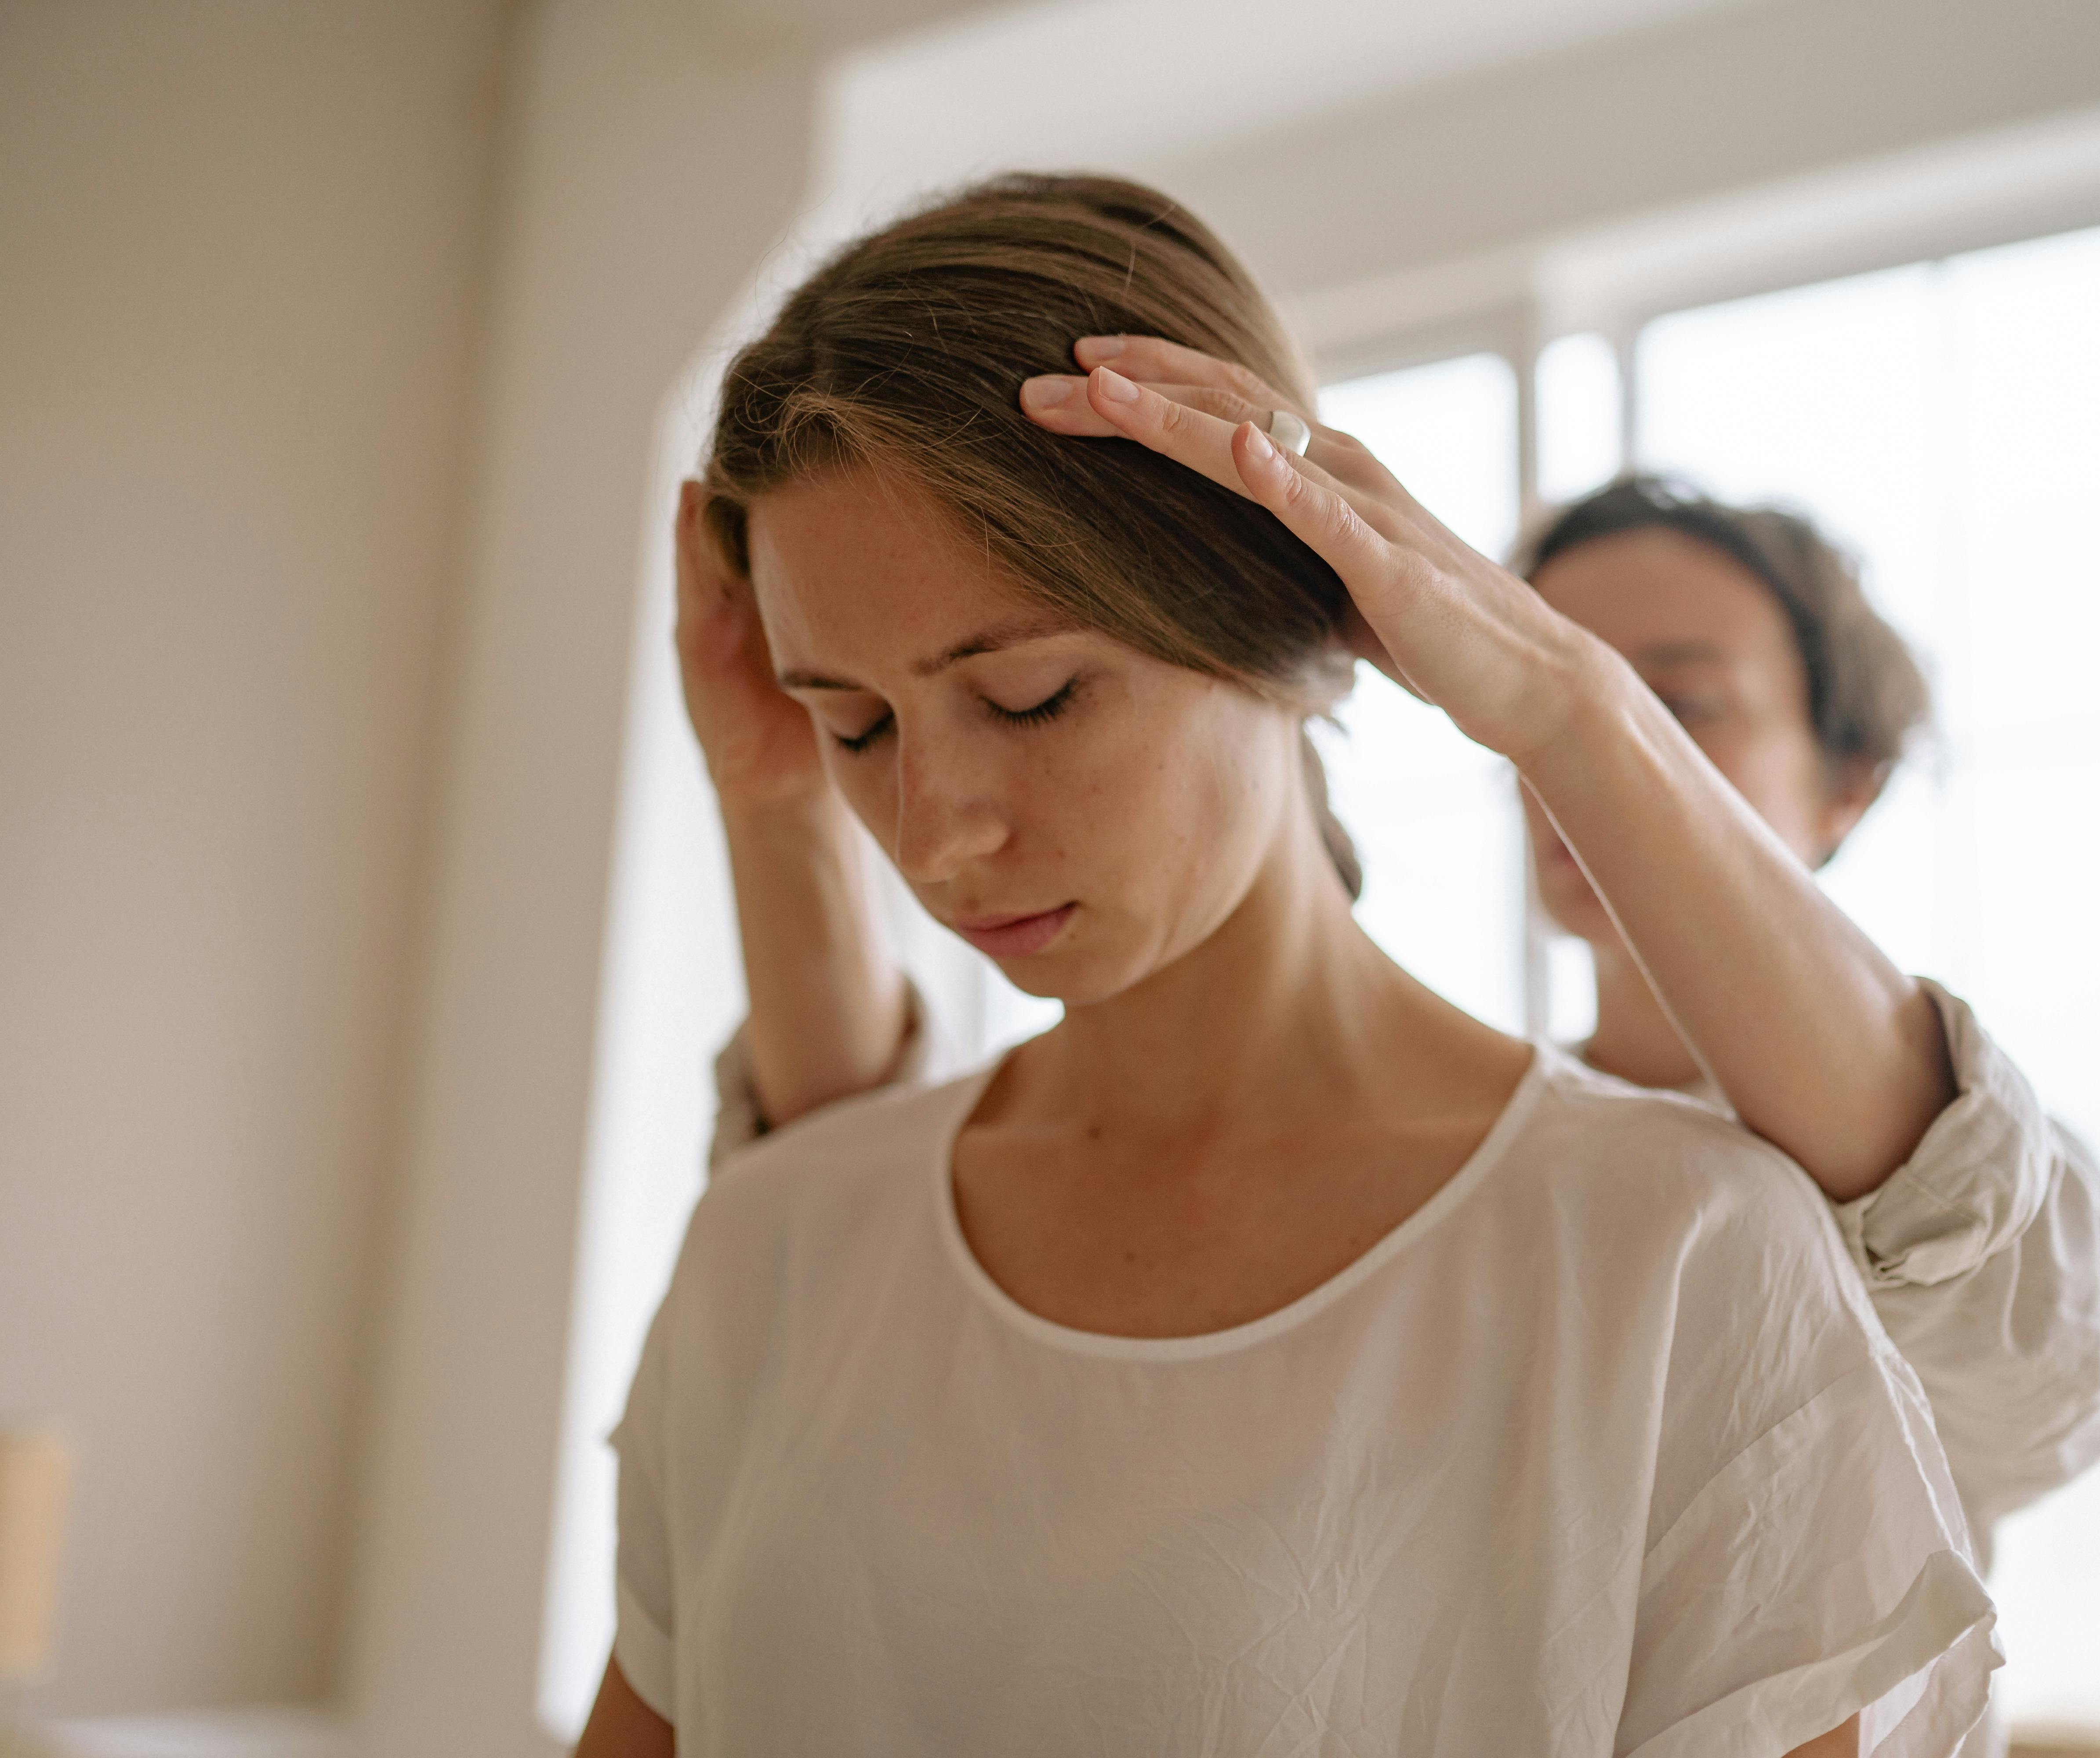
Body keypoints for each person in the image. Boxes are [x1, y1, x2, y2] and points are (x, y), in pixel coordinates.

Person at [579, 173, 2002, 1757]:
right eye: (854, 722)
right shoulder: (774, 1239)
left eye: (1037, 695)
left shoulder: (1671, 1260)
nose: (934, 833)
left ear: (1297, 629)